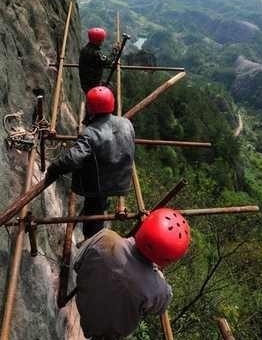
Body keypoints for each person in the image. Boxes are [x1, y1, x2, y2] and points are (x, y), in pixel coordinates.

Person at [73, 208, 191, 340]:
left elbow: (77, 264)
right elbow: (161, 307)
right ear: (168, 260)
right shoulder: (158, 290)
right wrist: (159, 276)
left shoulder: (105, 237)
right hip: (106, 332)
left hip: (82, 304)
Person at [45, 86, 135, 238]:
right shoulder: (126, 123)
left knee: (93, 212)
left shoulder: (91, 133)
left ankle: (91, 239)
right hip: (121, 180)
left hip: (99, 186)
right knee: (100, 202)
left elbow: (73, 159)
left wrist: (53, 168)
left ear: (90, 108)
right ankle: (100, 217)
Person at [79, 27, 118, 93]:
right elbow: (107, 62)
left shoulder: (84, 49)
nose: (102, 41)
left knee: (108, 85)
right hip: (93, 84)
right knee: (111, 90)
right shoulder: (95, 53)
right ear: (98, 41)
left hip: (85, 83)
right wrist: (114, 51)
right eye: (101, 40)